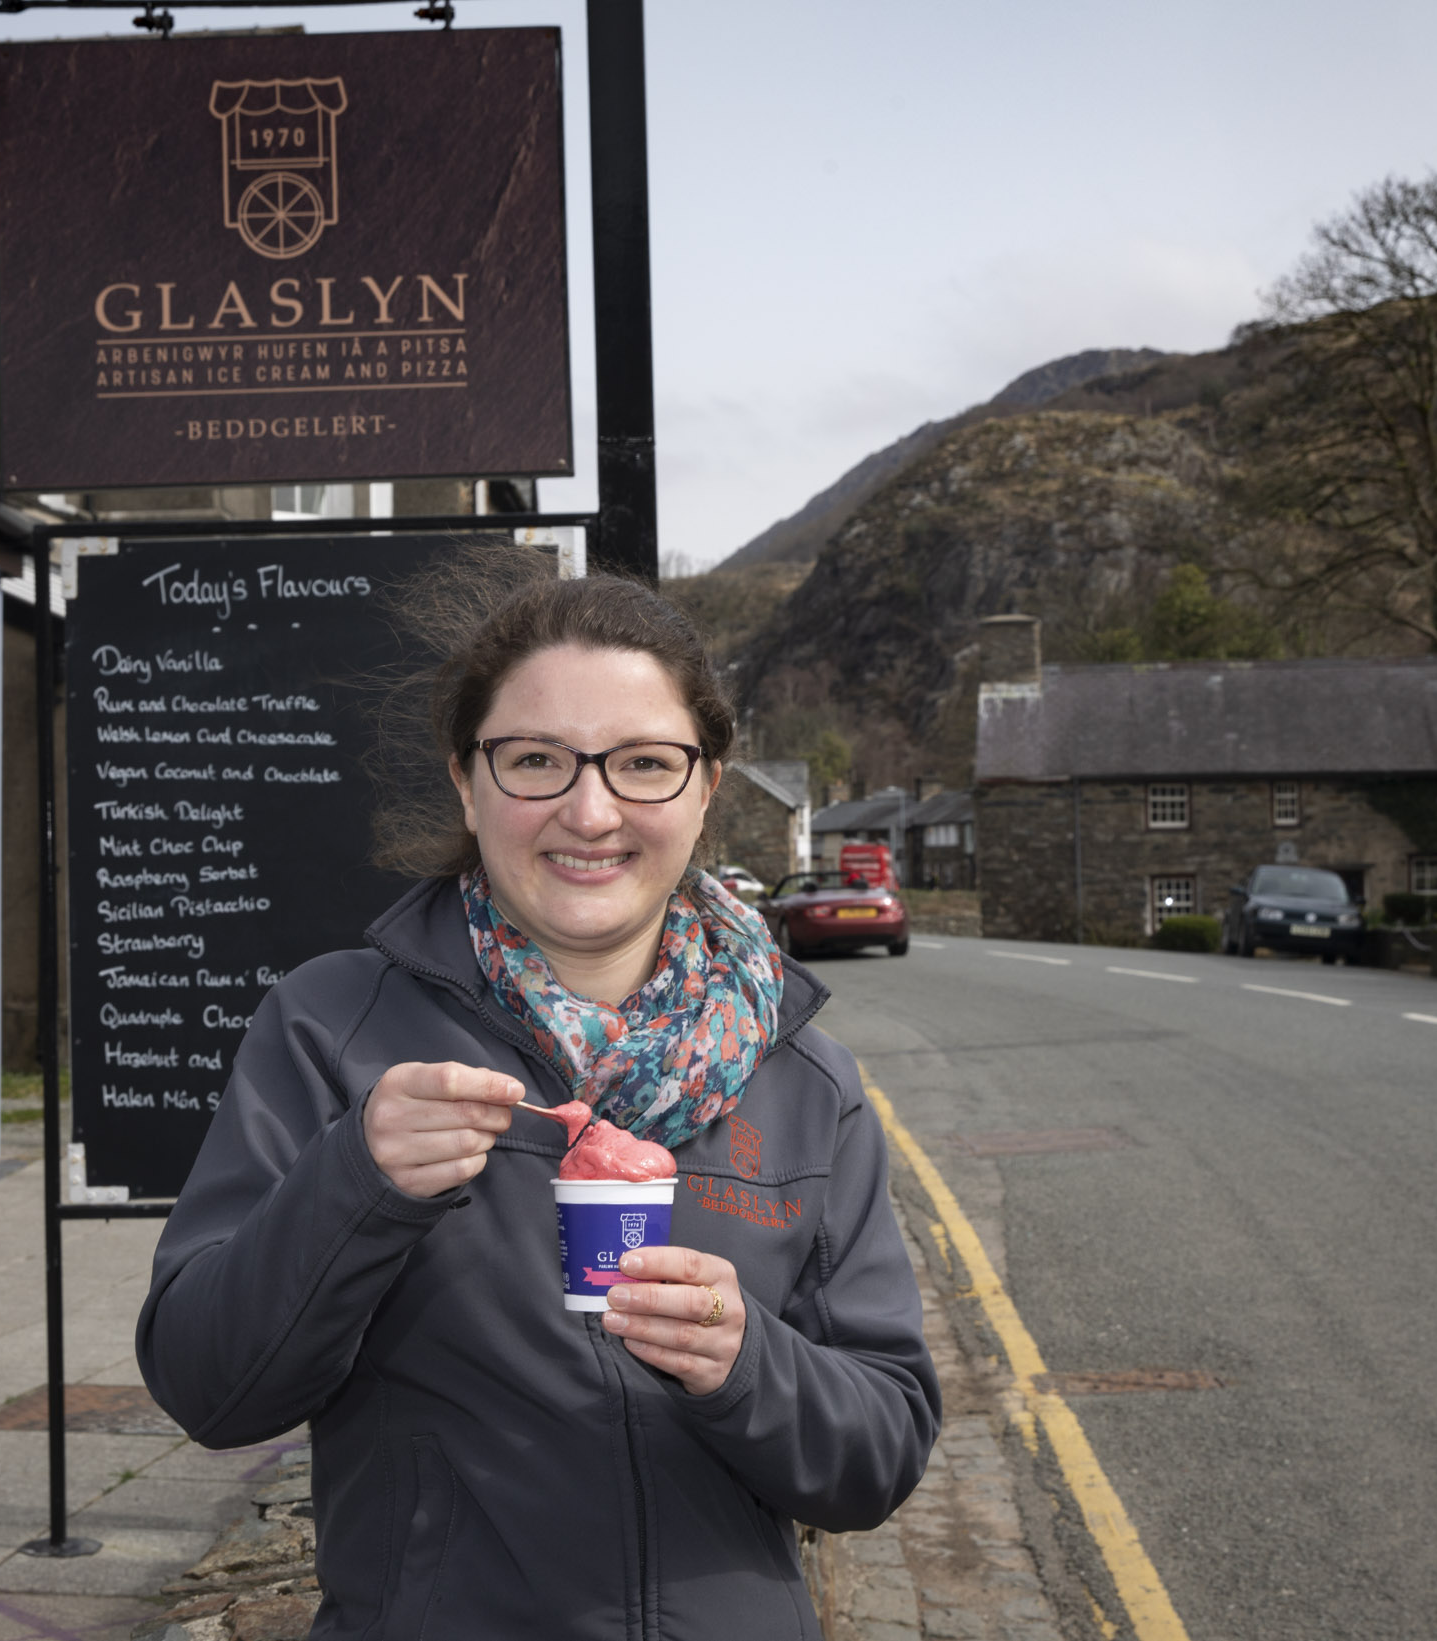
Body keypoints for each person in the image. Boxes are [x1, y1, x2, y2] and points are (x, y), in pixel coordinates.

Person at [137, 571, 939, 1638]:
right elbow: (210, 1388)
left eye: (644, 765)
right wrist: (356, 1182)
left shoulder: (807, 1081)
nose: (590, 810)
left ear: (705, 789)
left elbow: (876, 1459)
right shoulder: (329, 1028)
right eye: (535, 762)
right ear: (467, 783)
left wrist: (745, 1364)